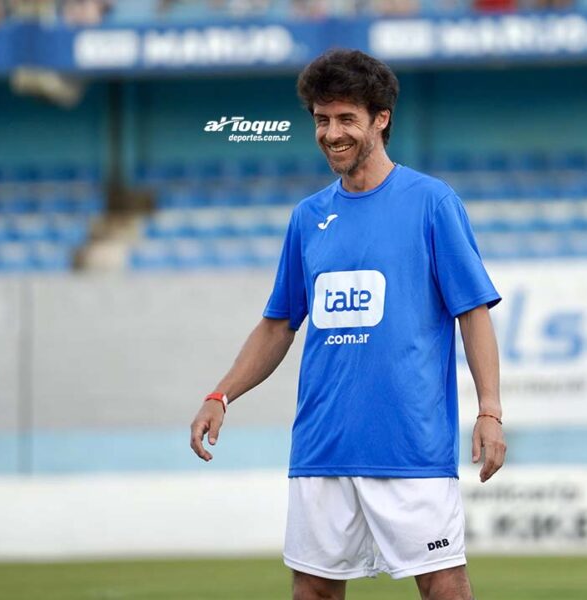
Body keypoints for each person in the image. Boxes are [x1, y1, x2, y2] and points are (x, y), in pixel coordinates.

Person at [190, 48, 506, 600]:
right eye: (321, 119)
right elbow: (277, 325)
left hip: (410, 447)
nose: (331, 133)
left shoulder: (432, 203)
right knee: (312, 590)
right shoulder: (308, 217)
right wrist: (221, 394)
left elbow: (472, 314)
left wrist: (490, 411)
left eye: (345, 119)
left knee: (444, 587)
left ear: (380, 119)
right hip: (322, 446)